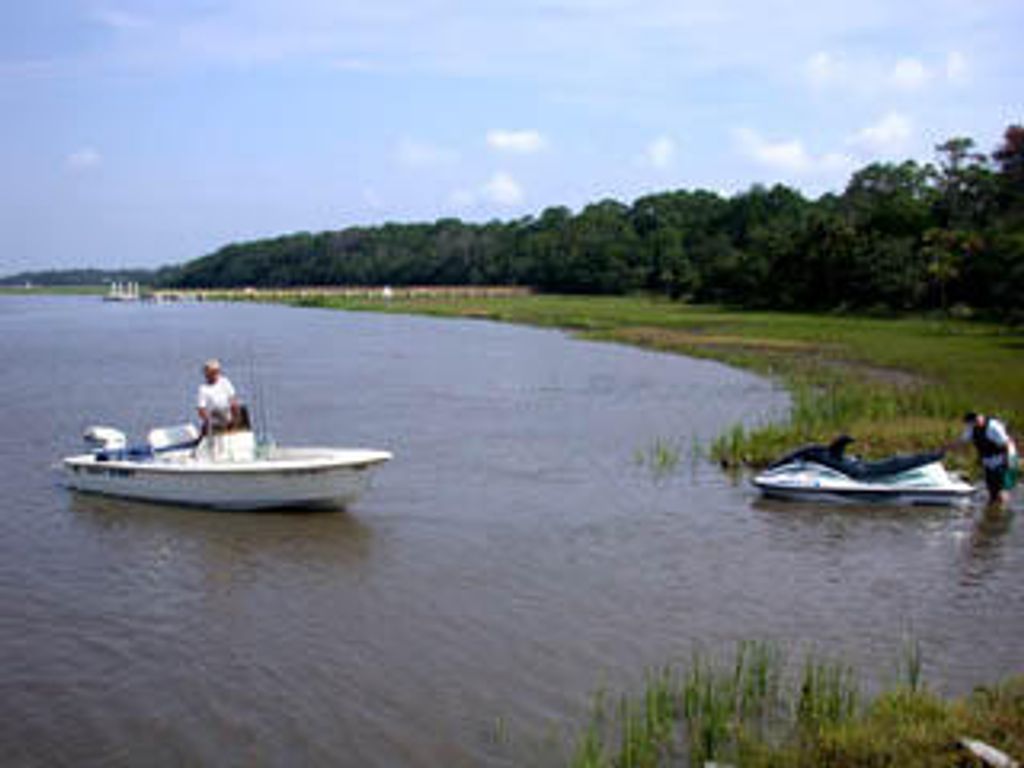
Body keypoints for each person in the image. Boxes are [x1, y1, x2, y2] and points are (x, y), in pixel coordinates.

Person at [951, 412, 1019, 507]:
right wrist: (945, 449)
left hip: (1003, 459)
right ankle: (992, 512)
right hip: (988, 461)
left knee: (1001, 490)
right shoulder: (972, 428)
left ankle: (1002, 513)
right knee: (991, 491)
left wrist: (1010, 461)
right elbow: (962, 441)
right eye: (970, 425)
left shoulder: (994, 427)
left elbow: (1007, 443)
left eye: (973, 423)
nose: (971, 426)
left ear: (979, 419)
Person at [196, 359, 241, 436]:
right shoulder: (203, 389)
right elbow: (201, 410)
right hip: (212, 417)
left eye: (215, 372)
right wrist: (208, 419)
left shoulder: (225, 382)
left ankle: (233, 430)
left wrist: (234, 420)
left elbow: (233, 400)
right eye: (209, 372)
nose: (213, 374)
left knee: (234, 409)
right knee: (209, 422)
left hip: (227, 414)